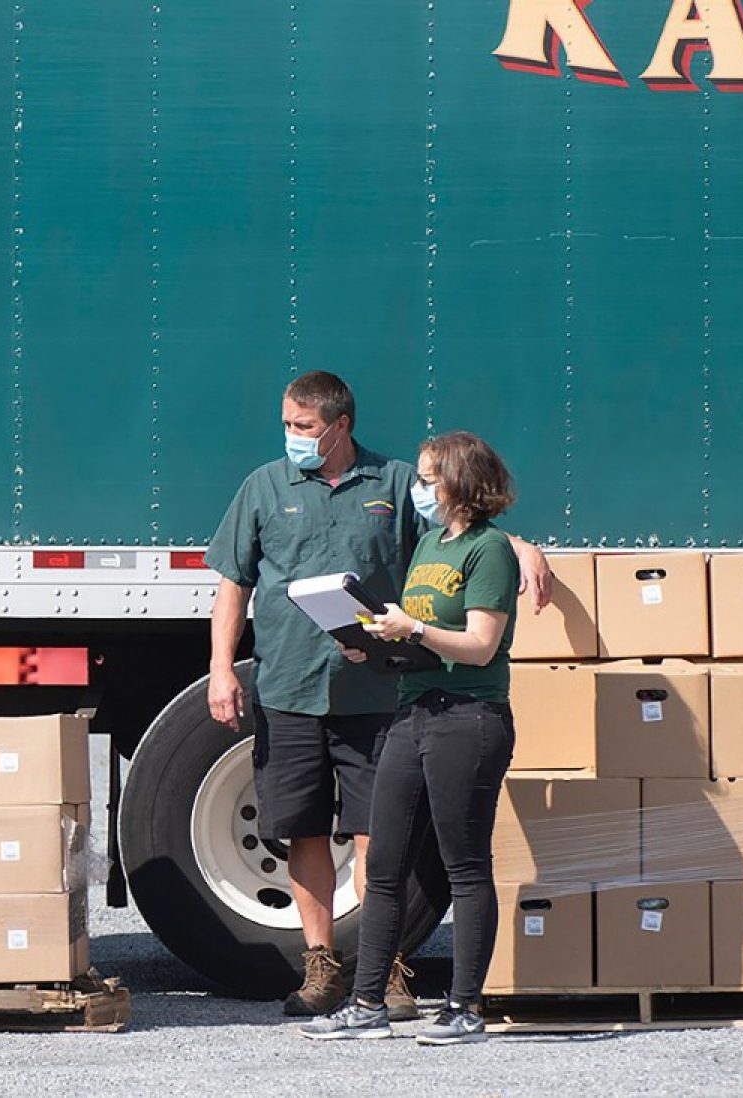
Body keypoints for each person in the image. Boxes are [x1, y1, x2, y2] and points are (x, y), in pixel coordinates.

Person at [205, 372, 550, 1018]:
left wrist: (521, 544)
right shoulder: (263, 487)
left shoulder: (392, 484)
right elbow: (233, 583)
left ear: (340, 426)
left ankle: (383, 965)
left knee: (376, 838)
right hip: (288, 686)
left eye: (304, 427)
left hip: (374, 694)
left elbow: (461, 529)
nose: (293, 438)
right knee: (301, 829)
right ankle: (321, 967)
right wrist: (222, 667)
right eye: (287, 425)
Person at [299, 431, 520, 1046]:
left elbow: (479, 647)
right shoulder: (429, 544)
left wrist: (414, 626)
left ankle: (465, 1008)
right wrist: (368, 643)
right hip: (413, 712)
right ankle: (367, 1002)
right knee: (385, 863)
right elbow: (412, 649)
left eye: (428, 478)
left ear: (460, 482)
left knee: (465, 866)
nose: (419, 489)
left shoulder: (489, 549)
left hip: (468, 719)